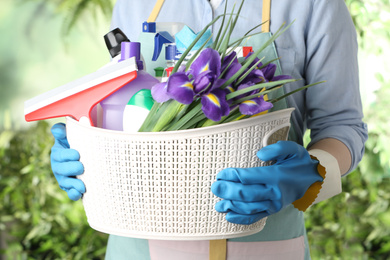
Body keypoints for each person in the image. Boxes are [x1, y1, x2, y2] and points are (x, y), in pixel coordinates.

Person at [50, 0, 368, 259]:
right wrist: (85, 145)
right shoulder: (136, 3)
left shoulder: (315, 5)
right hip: (136, 247)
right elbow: (117, 103)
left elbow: (343, 126)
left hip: (264, 244)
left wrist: (310, 173)